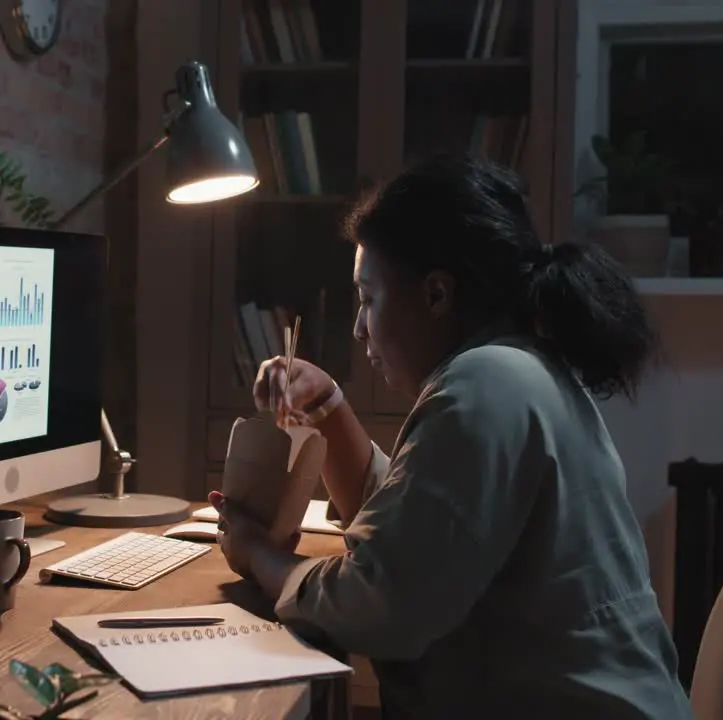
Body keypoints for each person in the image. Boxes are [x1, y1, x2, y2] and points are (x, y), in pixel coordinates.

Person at [211, 155, 692, 718]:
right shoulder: (522, 370)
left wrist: (257, 555)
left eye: (368, 299)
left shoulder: (484, 386)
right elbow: (416, 524)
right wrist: (328, 405)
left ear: (437, 295)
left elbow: (381, 606)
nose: (359, 327)